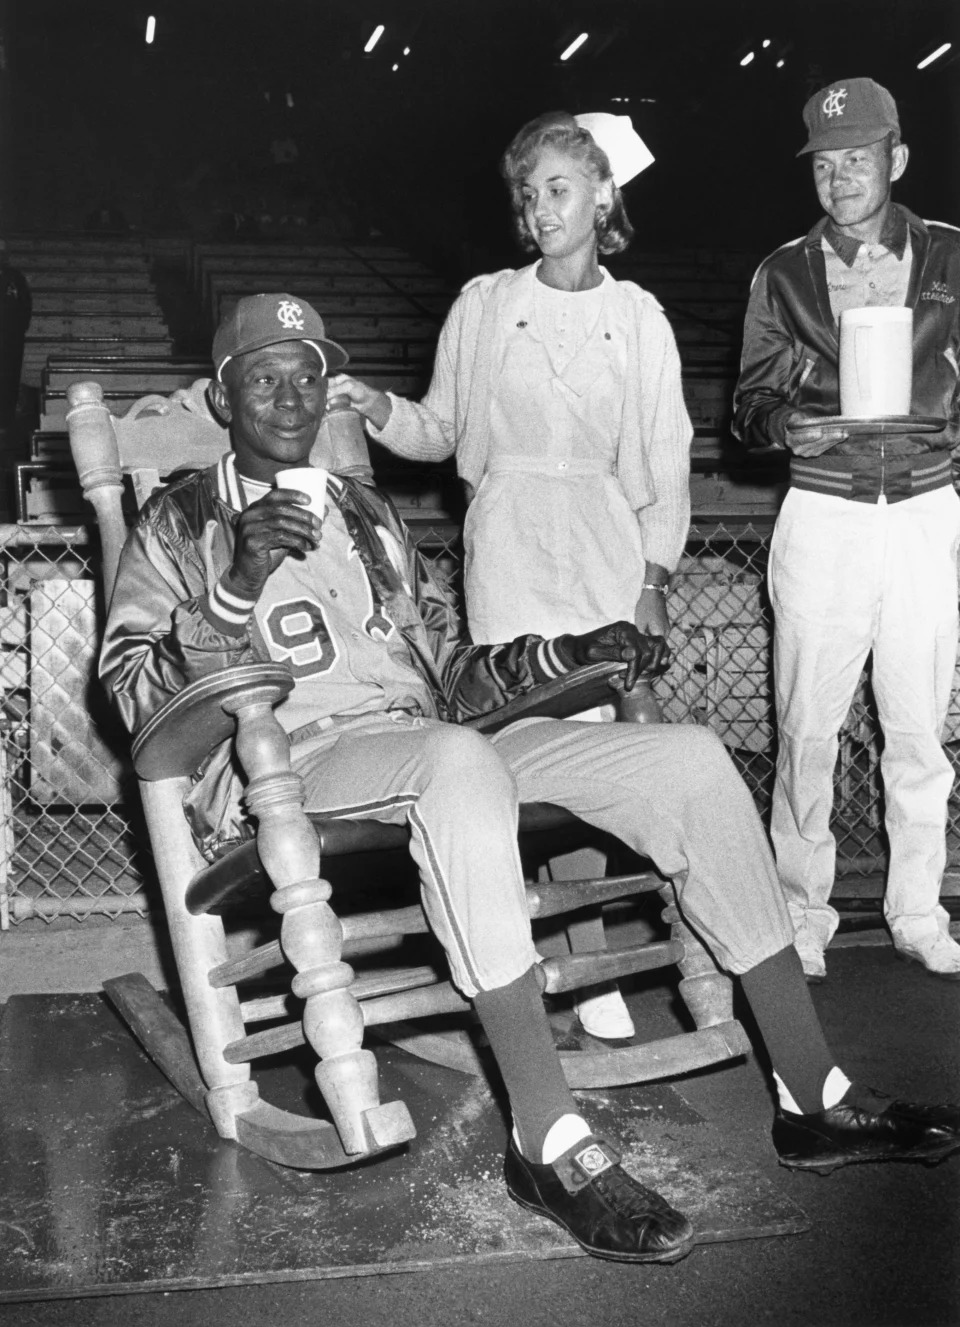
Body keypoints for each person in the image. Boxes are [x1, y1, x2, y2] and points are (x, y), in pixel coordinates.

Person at [101, 294, 960, 1265]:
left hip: (422, 738)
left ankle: (815, 1095)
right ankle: (547, 1140)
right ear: (223, 396)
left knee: (688, 758)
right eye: (265, 377)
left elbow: (453, 679)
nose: (292, 396)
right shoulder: (180, 517)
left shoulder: (363, 512)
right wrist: (229, 589)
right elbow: (136, 703)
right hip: (286, 766)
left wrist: (566, 652)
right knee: (457, 763)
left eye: (307, 376)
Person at [327, 111, 686, 1040]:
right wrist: (373, 407)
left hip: (606, 545)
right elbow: (441, 433)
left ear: (604, 194)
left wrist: (650, 580)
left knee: (618, 756)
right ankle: (559, 958)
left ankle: (617, 944)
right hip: (511, 547)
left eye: (559, 189)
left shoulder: (638, 317)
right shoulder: (484, 303)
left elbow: (668, 465)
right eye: (529, 196)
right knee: (524, 755)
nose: (540, 210)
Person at [732, 77, 960, 983]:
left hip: (922, 509)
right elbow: (748, 408)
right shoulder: (781, 272)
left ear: (895, 160)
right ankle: (801, 910)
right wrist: (792, 426)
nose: (840, 178)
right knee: (807, 726)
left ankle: (917, 909)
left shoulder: (950, 254)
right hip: (822, 510)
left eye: (857, 159)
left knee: (917, 726)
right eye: (826, 165)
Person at [0, 240, 31, 427]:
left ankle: (4, 419)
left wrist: (18, 331)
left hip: (10, 339)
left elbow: (25, 305)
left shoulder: (16, 277)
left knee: (9, 378)